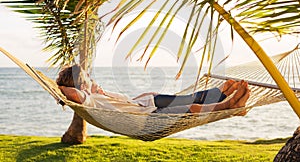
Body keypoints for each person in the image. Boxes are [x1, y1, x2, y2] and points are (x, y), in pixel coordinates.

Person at [56, 64, 250, 114]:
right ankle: (228, 101)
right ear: (82, 85)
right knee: (191, 105)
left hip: (148, 102)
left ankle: (224, 93)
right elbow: (74, 94)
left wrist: (146, 95)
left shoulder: (99, 95)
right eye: (88, 78)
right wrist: (59, 88)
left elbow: (127, 102)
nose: (93, 79)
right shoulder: (90, 99)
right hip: (149, 110)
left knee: (191, 98)